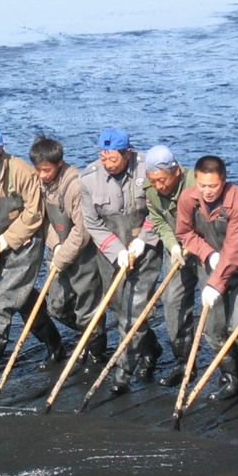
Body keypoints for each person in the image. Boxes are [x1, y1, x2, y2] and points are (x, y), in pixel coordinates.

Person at [0, 126, 64, 386]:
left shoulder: (21, 171)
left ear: (1, 149)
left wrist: (10, 238)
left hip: (25, 243)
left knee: (4, 300)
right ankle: (55, 345)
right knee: (22, 298)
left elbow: (34, 213)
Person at [79, 127, 163, 395]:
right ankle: (150, 346)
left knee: (134, 310)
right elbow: (92, 223)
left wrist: (144, 239)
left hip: (145, 249)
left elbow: (158, 208)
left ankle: (122, 373)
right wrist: (117, 251)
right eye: (103, 157)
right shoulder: (89, 179)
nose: (107, 163)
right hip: (111, 253)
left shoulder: (147, 169)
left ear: (128, 153)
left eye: (112, 158)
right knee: (120, 308)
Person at [176, 155, 238, 399]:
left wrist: (217, 281)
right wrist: (207, 254)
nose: (207, 192)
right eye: (202, 185)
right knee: (213, 328)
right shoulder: (188, 199)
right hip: (210, 267)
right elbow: (184, 233)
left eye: (213, 186)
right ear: (196, 181)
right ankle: (230, 375)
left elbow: (235, 250)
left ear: (224, 182)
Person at [30, 136, 106, 372]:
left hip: (85, 257)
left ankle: (95, 354)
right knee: (55, 306)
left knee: (87, 308)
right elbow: (45, 221)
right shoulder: (41, 184)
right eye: (38, 170)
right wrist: (56, 247)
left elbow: (82, 231)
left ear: (59, 163)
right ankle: (87, 335)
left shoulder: (76, 185)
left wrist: (62, 257)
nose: (42, 175)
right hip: (60, 252)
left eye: (47, 170)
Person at [143, 144, 200, 386]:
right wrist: (172, 246)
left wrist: (194, 241)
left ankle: (231, 366)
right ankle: (184, 361)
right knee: (172, 303)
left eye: (163, 180)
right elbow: (158, 219)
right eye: (153, 180)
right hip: (177, 251)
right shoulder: (152, 191)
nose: (159, 186)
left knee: (216, 307)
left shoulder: (197, 184)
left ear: (176, 170)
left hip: (205, 250)